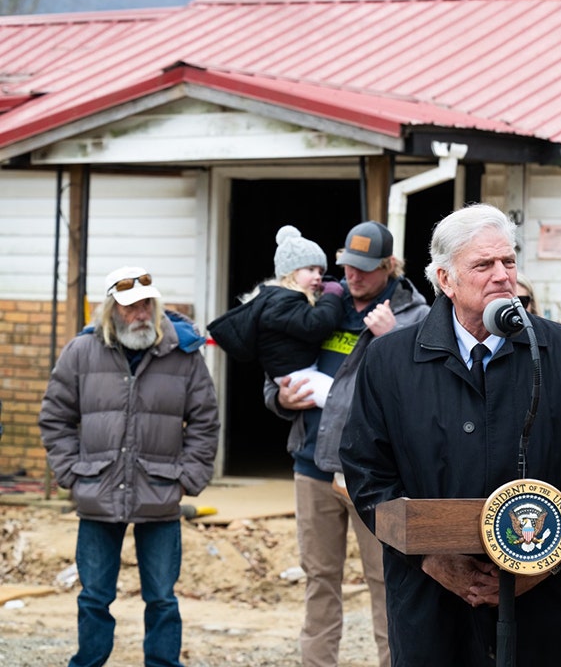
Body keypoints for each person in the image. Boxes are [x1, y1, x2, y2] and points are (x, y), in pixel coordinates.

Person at [339, 203, 561, 667]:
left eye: (508, 262)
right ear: (445, 279)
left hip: (538, 601)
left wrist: (542, 564)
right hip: (428, 597)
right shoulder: (390, 360)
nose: (502, 275)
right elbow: (368, 473)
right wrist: (432, 561)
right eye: (483, 265)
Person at [265, 220, 429, 667]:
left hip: (375, 476)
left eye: (363, 269)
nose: (351, 277)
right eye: (346, 266)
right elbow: (275, 364)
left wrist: (391, 338)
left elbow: (427, 398)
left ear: (389, 266)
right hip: (313, 465)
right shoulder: (320, 305)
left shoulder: (415, 316)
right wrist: (279, 397)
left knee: (387, 578)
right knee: (319, 578)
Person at [38, 266, 220, 667]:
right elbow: (55, 417)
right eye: (130, 306)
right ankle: (89, 662)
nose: (140, 313)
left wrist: (189, 477)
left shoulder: (183, 356)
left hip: (160, 491)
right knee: (94, 596)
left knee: (162, 598)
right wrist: (71, 472)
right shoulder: (81, 353)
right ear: (111, 310)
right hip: (97, 489)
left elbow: (205, 420)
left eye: (146, 304)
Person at [208, 225, 344, 408]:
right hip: (298, 376)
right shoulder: (282, 302)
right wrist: (332, 295)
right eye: (310, 269)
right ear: (291, 272)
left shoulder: (280, 299)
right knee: (343, 400)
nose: (318, 277)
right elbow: (317, 324)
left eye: (321, 271)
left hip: (297, 372)